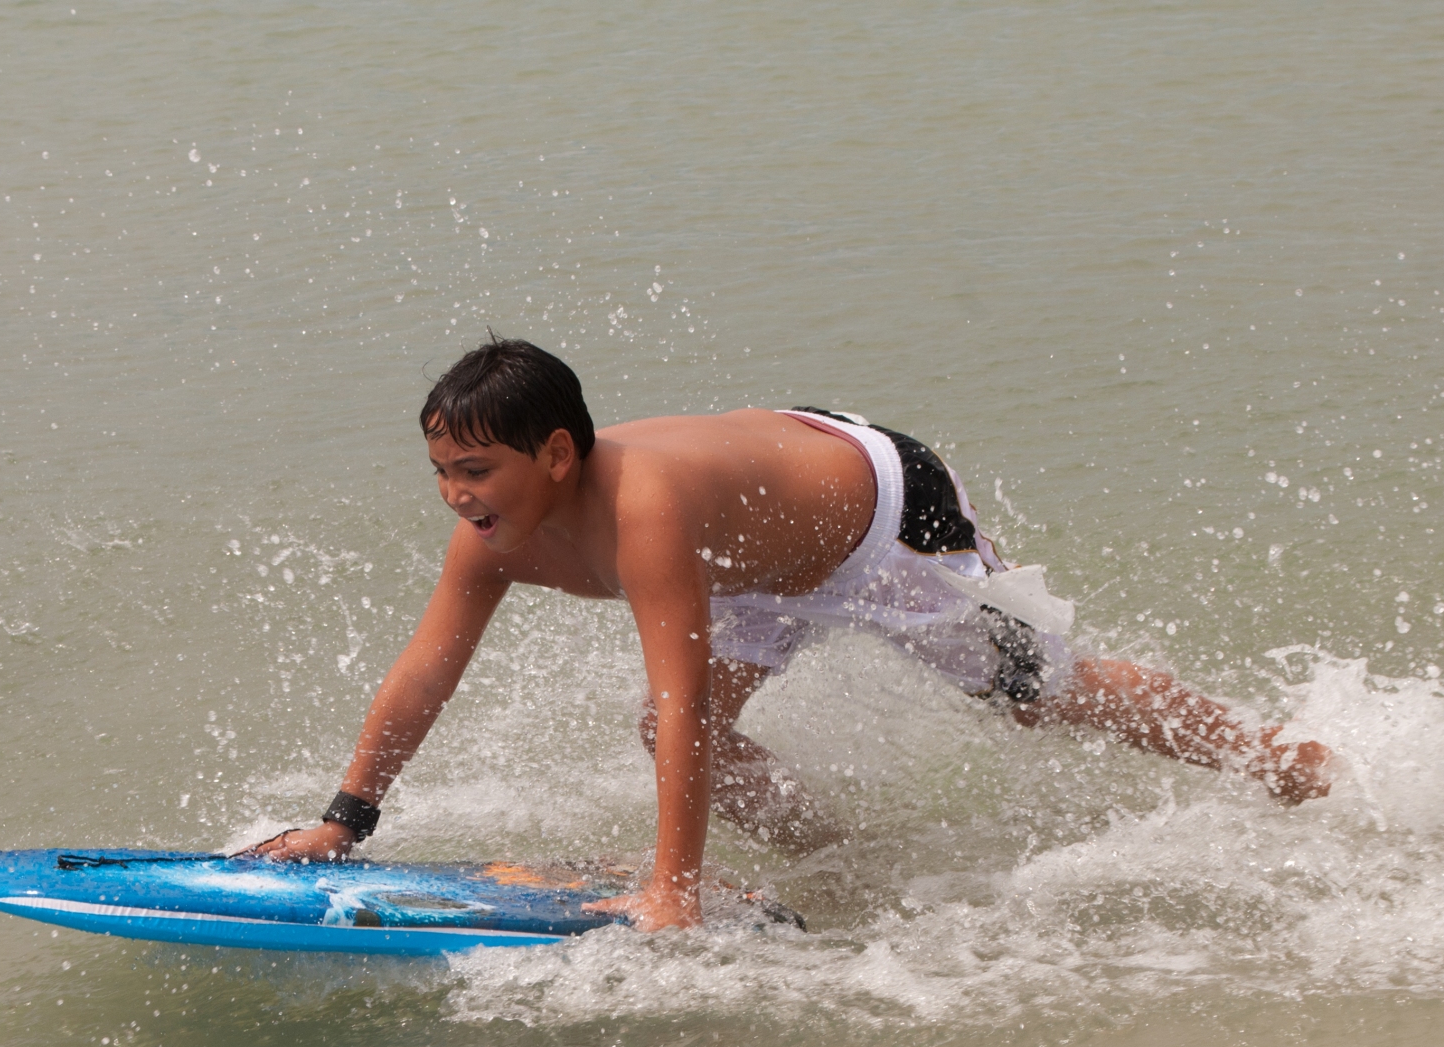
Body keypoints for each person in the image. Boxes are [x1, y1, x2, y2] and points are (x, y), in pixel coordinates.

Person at [246, 337, 1333, 929]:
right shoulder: (491, 536)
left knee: (1038, 697)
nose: (455, 497)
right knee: (687, 734)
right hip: (754, 560)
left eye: (474, 471)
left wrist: (669, 890)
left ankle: (1279, 759)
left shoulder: (645, 514)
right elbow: (425, 672)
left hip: (878, 520)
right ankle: (852, 862)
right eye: (441, 473)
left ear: (561, 455)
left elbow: (675, 690)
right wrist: (347, 821)